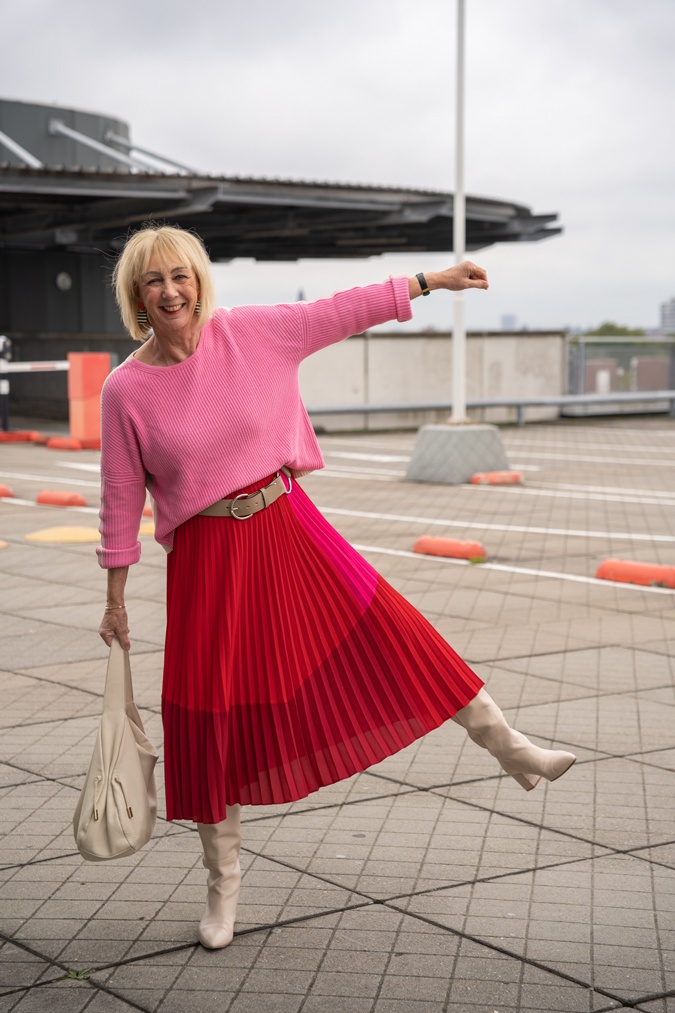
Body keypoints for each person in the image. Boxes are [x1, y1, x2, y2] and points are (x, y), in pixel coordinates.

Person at [98, 223, 575, 951]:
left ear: (198, 281)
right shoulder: (126, 389)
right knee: (209, 715)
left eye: (180, 276)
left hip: (289, 526)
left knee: (395, 632)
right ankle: (222, 888)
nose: (169, 291)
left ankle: (509, 746)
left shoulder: (252, 333)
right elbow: (120, 497)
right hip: (206, 560)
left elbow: (341, 308)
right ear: (136, 296)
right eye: (153, 281)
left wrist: (430, 281)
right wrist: (115, 598)